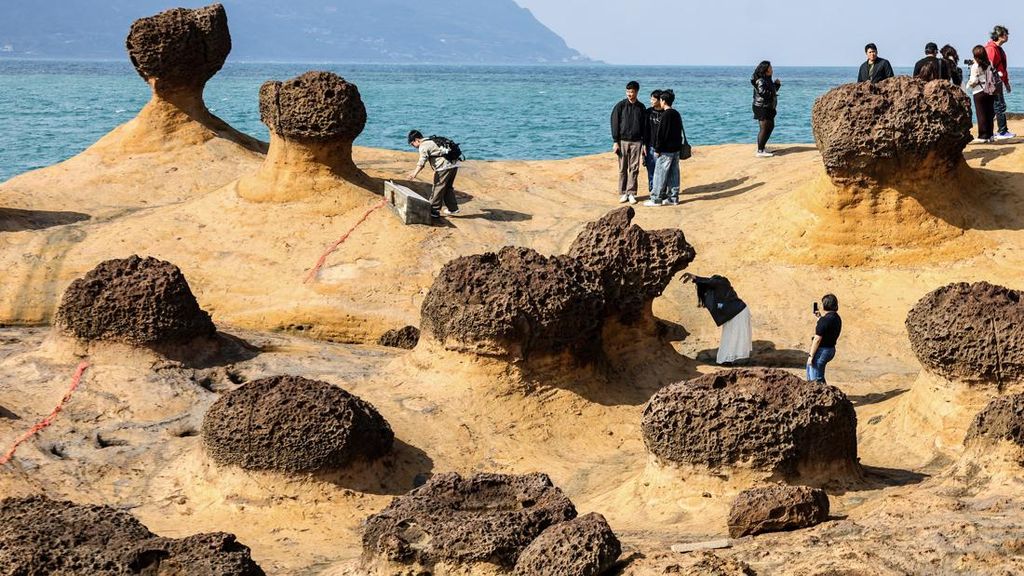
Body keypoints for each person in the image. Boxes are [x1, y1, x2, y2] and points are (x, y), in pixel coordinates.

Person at [682, 272, 752, 365]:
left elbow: (713, 282)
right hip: (733, 314)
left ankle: (726, 360)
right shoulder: (710, 293)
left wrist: (695, 277)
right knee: (729, 336)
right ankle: (725, 360)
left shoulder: (722, 282)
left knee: (732, 336)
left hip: (739, 311)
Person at [407, 130, 459, 219]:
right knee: (447, 187)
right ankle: (453, 208)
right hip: (454, 164)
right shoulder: (431, 140)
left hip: (444, 167)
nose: (413, 146)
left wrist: (414, 173)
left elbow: (422, 162)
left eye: (412, 144)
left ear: (416, 140)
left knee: (437, 188)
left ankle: (434, 211)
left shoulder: (423, 146)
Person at [610, 81, 646, 204]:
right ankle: (623, 193)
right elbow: (614, 123)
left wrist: (644, 143)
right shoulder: (620, 106)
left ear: (637, 92)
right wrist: (615, 141)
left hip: (637, 141)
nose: (629, 94)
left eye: (632, 92)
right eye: (628, 91)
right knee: (622, 168)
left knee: (634, 168)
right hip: (622, 141)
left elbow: (644, 126)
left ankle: (631, 193)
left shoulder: (641, 107)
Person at [645, 89, 682, 207]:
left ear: (663, 101)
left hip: (666, 151)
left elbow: (661, 134)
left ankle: (656, 199)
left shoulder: (665, 115)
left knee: (659, 174)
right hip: (676, 149)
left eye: (661, 100)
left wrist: (657, 149)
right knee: (674, 174)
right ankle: (673, 198)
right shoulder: (676, 113)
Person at [986, 26, 1015, 139]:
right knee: (999, 105)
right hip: (993, 82)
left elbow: (1002, 67)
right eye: (1006, 34)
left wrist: (1006, 82)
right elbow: (989, 67)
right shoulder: (991, 49)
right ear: (1000, 36)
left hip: (997, 81)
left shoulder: (998, 49)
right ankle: (1002, 131)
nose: (1007, 36)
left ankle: (992, 131)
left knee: (997, 106)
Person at [807, 294, 842, 383]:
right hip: (831, 350)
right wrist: (819, 318)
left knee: (815, 379)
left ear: (825, 305)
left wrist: (811, 356)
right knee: (818, 376)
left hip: (822, 352)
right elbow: (828, 327)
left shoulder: (825, 320)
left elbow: (817, 340)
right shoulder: (836, 317)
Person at [751, 60, 781, 158]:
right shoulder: (761, 80)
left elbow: (771, 90)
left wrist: (776, 85)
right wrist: (772, 94)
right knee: (765, 128)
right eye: (770, 67)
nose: (772, 69)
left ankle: (762, 147)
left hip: (767, 107)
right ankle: (760, 151)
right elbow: (763, 92)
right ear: (766, 70)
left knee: (770, 127)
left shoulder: (767, 79)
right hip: (762, 107)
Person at [967, 46, 997, 143]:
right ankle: (990, 135)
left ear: (976, 56)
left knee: (981, 114)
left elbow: (973, 80)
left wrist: (968, 85)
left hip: (979, 91)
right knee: (989, 113)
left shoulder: (975, 66)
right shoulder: (989, 63)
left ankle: (983, 136)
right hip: (989, 90)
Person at [643, 89, 664, 198]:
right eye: (651, 99)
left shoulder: (665, 113)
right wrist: (643, 145)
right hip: (650, 145)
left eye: (653, 99)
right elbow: (644, 130)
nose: (651, 101)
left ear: (660, 100)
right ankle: (652, 191)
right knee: (651, 169)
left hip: (663, 147)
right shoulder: (648, 112)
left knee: (662, 171)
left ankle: (662, 191)